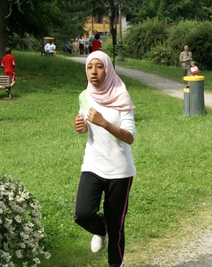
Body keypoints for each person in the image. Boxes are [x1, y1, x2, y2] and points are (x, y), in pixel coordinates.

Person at [73, 51, 136, 267]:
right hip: (93, 164)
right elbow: (84, 125)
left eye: (99, 67)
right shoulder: (84, 96)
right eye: (90, 67)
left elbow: (130, 138)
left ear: (107, 69)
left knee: (116, 224)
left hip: (120, 171)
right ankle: (100, 229)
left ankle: (117, 264)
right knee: (82, 213)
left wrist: (103, 123)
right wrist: (80, 128)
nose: (94, 72)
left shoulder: (121, 97)